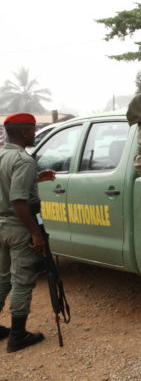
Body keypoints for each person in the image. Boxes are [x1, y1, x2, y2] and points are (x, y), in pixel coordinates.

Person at [0, 113, 56, 352]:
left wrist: (37, 178)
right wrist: (35, 233)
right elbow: (19, 201)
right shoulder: (23, 160)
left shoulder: (2, 154)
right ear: (24, 132)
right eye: (33, 131)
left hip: (1, 226)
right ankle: (18, 335)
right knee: (22, 281)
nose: (34, 134)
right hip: (19, 226)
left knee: (2, 278)